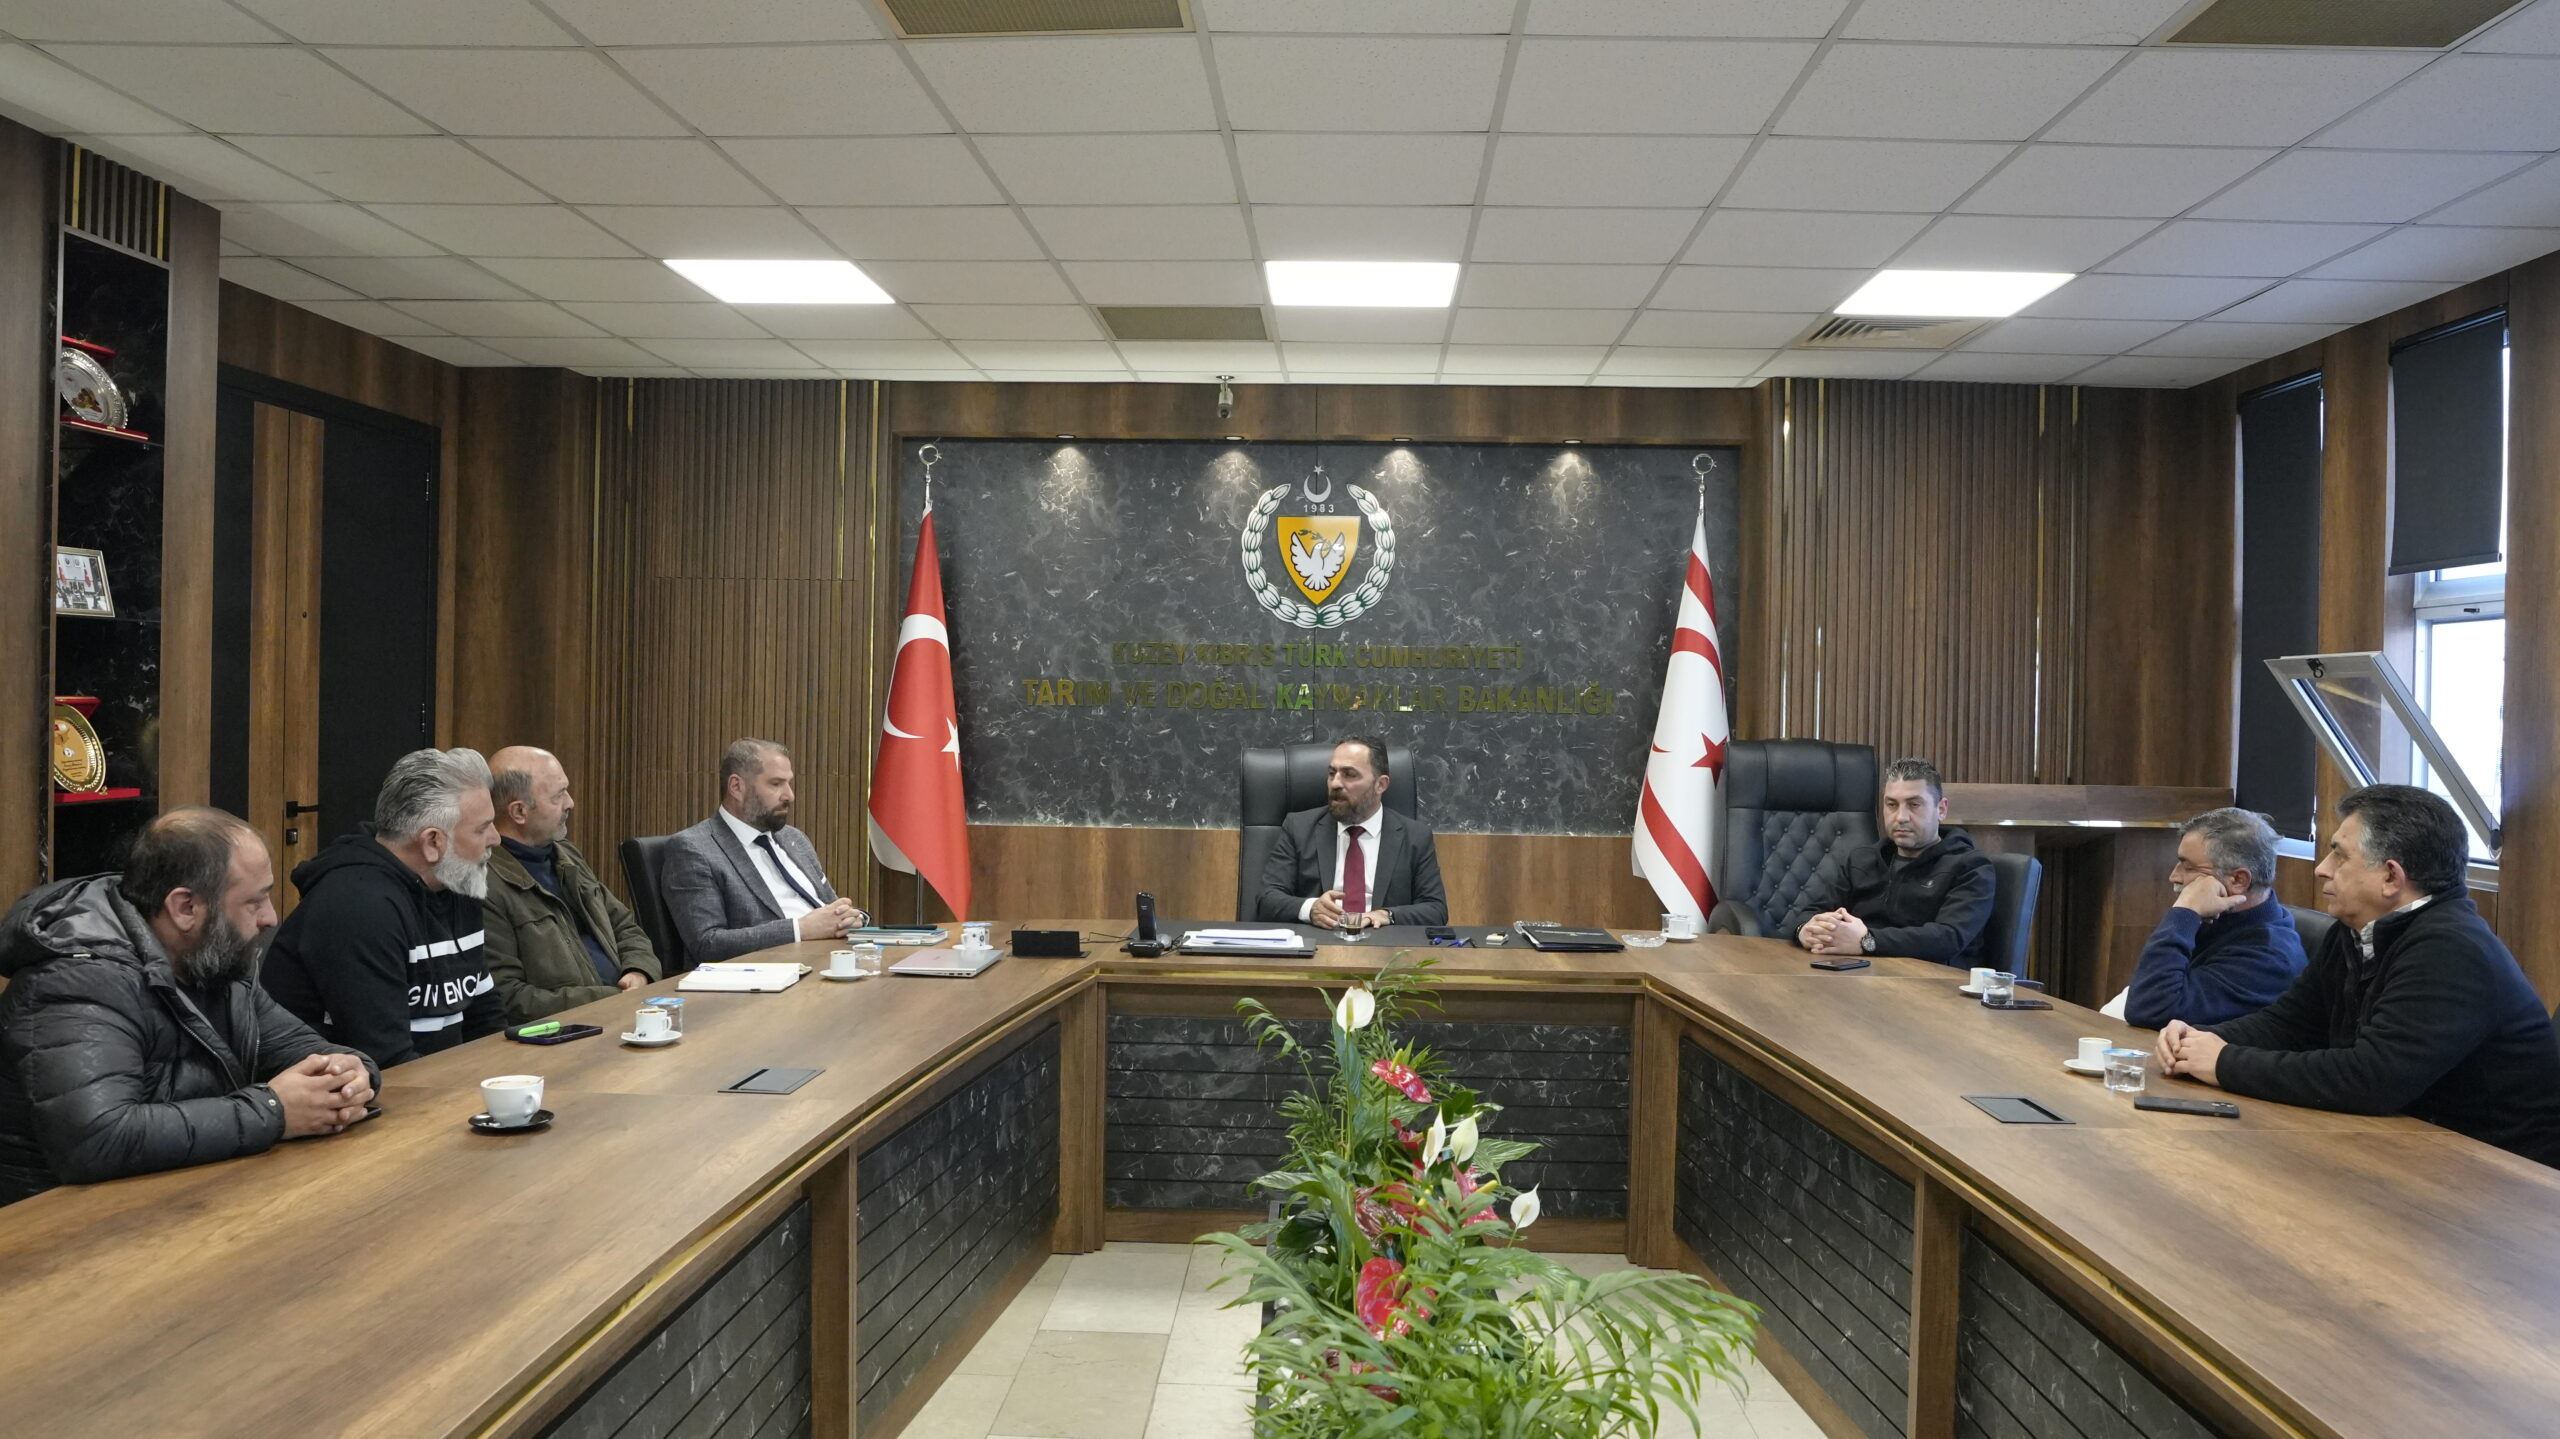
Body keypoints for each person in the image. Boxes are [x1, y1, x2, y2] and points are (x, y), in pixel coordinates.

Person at [2156, 785, 2560, 1168]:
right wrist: (2200, 1038)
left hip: (2495, 1171)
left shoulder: (2451, 950)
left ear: (2391, 877)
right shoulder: (2356, 930)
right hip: (2408, 1147)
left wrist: (2224, 1061)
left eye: (2339, 857)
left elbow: (2372, 1078)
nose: (2321, 869)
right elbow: (2290, 1024)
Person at [0, 809, 377, 1206]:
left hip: (180, 1198)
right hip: (60, 1222)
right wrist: (274, 1111)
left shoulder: (213, 964)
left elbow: (310, 1052)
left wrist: (351, 1073)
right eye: (254, 901)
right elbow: (96, 1140)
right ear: (185, 907)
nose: (271, 918)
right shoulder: (77, 982)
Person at [262, 748, 504, 1066]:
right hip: (359, 1089)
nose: (496, 838)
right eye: (482, 828)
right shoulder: (357, 907)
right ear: (433, 842)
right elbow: (386, 1061)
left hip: (438, 1082)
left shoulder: (455, 882)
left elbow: (485, 1020)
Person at [482, 746, 661, 1022]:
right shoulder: (486, 885)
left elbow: (625, 926)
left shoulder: (567, 855)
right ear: (519, 811)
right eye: (559, 795)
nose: (571, 803)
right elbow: (509, 997)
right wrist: (610, 999)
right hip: (565, 1031)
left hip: (623, 1011)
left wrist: (638, 971)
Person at [663, 738, 867, 964]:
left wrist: (852, 918)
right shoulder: (694, 848)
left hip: (835, 959)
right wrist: (800, 929)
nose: (789, 795)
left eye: (789, 783)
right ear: (736, 787)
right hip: (770, 973)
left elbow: (832, 908)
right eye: (776, 784)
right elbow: (708, 943)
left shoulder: (794, 838)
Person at [1781, 756, 1994, 967]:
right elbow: (1813, 911)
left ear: (1941, 809)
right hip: (1861, 973)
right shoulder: (1862, 859)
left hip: (1933, 980)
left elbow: (1948, 938)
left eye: (1914, 805)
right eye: (1892, 804)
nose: (1901, 817)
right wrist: (1805, 930)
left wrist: (1867, 941)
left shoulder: (1971, 866)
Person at [2112, 808, 2307, 1029]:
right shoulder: (2219, 919)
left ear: (2238, 880)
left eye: (2189, 867)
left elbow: (2149, 1009)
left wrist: (2184, 911)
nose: (2174, 876)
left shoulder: (2268, 960)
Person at [1253, 736, 1448, 928]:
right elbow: (1267, 899)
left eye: (1349, 774)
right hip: (1319, 941)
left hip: (1383, 943)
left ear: (1380, 784)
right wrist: (1311, 909)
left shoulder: (1415, 837)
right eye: (1332, 773)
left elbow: (1435, 909)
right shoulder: (1299, 828)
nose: (1335, 783)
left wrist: (1386, 915)